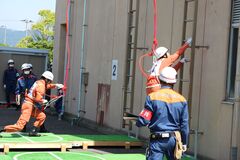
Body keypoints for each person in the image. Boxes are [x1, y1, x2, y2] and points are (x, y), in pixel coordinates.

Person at [136, 67, 189, 160]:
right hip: (174, 140)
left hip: (157, 141)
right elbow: (184, 125)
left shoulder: (152, 97)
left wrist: (138, 121)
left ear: (159, 80)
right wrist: (184, 142)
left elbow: (144, 120)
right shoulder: (182, 99)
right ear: (174, 82)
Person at [1, 71, 64, 136]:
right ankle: (2, 129)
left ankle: (33, 131)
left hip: (30, 105)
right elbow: (38, 99)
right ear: (46, 79)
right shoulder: (41, 86)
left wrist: (56, 85)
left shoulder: (39, 82)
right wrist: (43, 101)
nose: (50, 82)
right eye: (50, 81)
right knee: (20, 126)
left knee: (42, 116)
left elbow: (46, 86)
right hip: (28, 106)